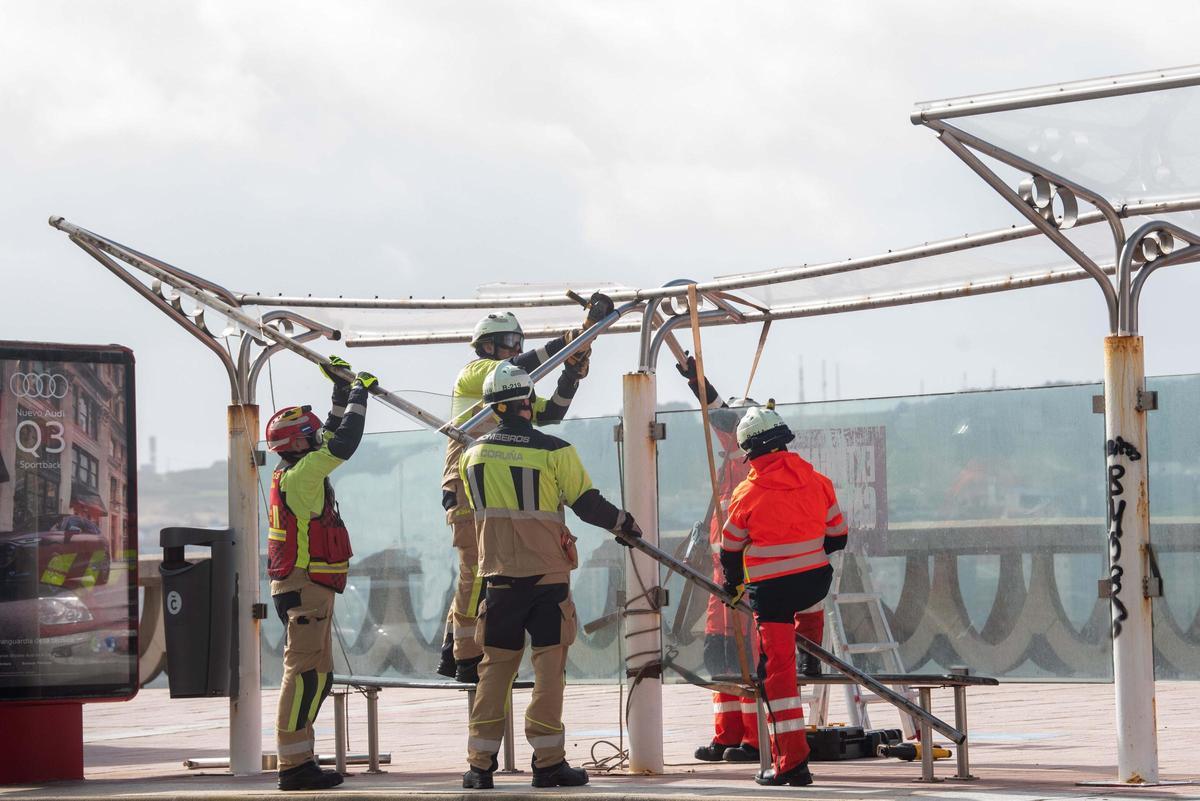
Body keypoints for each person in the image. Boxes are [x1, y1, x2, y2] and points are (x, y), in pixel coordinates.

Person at [460, 362, 641, 790]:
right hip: (546, 579)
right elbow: (587, 504)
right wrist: (625, 525)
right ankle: (548, 763)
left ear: (492, 407)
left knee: (495, 670)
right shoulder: (554, 450)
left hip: (498, 578)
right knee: (548, 670)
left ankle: (479, 766)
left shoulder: (472, 455)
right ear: (527, 402)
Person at [438, 294, 613, 683]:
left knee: (491, 568)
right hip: (468, 482)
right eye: (509, 343)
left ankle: (460, 648)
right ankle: (465, 656)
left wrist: (570, 372)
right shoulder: (474, 374)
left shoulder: (509, 391)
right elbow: (517, 368)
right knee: (475, 568)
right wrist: (570, 340)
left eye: (519, 343)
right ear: (487, 346)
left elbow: (551, 413)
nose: (516, 350)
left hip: (493, 481)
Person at [718, 401, 848, 787]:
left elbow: (729, 550)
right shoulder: (818, 480)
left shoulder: (746, 493)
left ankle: (791, 764)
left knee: (776, 675)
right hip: (813, 584)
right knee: (810, 593)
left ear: (750, 452)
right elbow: (838, 538)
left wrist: (734, 585)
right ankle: (811, 650)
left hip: (772, 596)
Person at [265, 356, 375, 792]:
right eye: (310, 435)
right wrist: (360, 394)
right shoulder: (304, 473)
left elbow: (328, 433)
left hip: (307, 587)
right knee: (302, 673)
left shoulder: (292, 468)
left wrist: (340, 391)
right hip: (305, 588)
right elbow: (343, 441)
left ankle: (302, 758)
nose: (317, 438)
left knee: (319, 675)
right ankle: (292, 766)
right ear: (299, 442)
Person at [673, 355, 762, 763]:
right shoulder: (732, 461)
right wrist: (696, 380)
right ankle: (727, 736)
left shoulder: (752, 462)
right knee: (721, 656)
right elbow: (720, 419)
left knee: (749, 660)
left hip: (747, 582)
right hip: (721, 583)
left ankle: (754, 741)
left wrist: (699, 382)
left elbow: (719, 418)